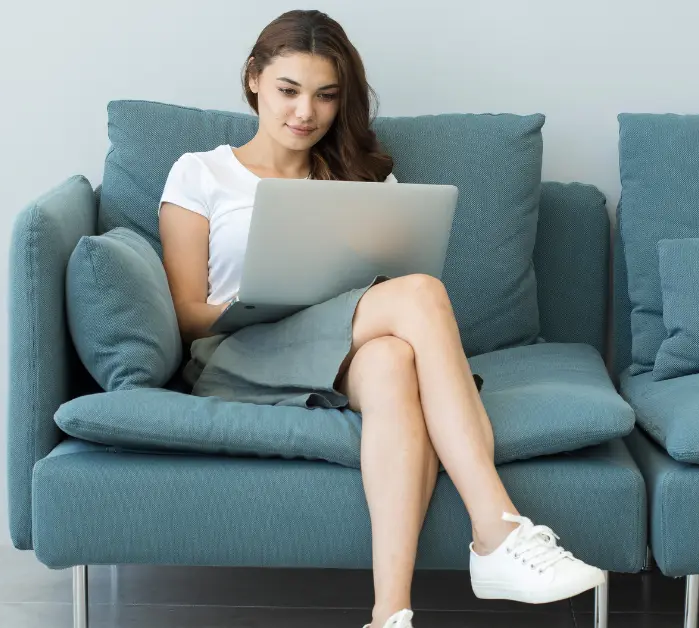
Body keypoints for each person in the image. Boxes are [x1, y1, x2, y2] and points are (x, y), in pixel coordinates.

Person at [157, 10, 605, 628]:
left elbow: (381, 292)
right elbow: (186, 314)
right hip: (239, 351)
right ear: (254, 79)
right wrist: (263, 300)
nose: (304, 113)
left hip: (341, 351)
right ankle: (496, 531)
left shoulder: (365, 180)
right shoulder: (200, 172)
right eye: (289, 90)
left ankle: (389, 615)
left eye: (325, 96)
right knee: (420, 294)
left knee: (395, 359)